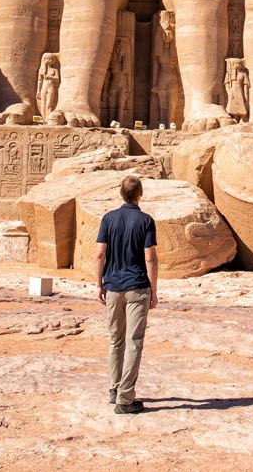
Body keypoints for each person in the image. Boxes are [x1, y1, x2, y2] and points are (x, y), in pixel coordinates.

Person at [95, 175, 159, 414]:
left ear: (121, 194)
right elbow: (150, 257)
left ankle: (114, 388)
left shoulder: (108, 219)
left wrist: (98, 284)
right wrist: (154, 290)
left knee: (116, 340)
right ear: (140, 194)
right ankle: (125, 398)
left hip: (112, 286)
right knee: (134, 342)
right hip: (136, 286)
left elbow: (100, 254)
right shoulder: (145, 220)